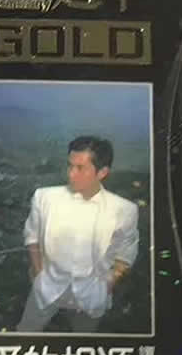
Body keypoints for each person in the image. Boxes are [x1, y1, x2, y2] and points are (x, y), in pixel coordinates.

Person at [16, 136, 140, 333]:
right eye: (70, 166)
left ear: (102, 172)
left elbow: (126, 253)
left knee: (84, 341)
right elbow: (32, 236)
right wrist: (39, 272)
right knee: (25, 333)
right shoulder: (45, 197)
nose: (71, 174)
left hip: (91, 295)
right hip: (47, 287)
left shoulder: (124, 210)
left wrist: (108, 283)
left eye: (80, 168)